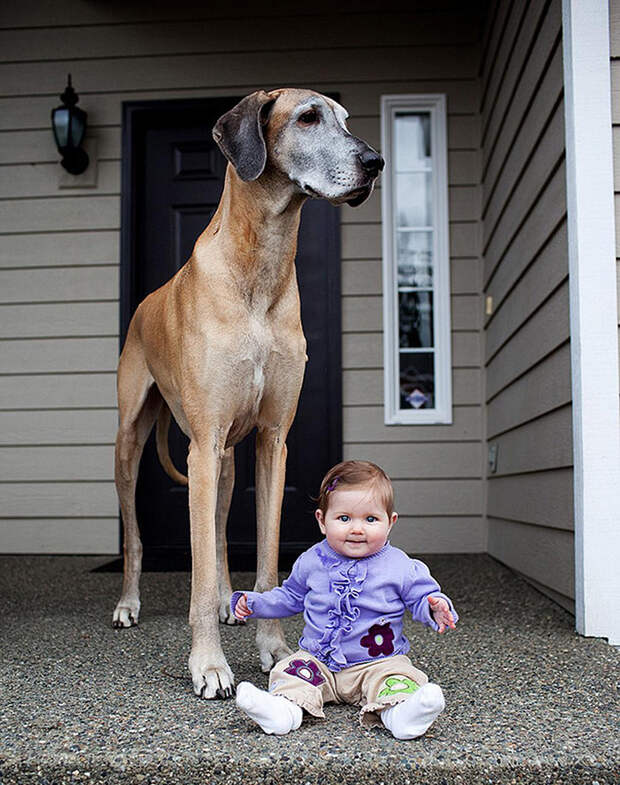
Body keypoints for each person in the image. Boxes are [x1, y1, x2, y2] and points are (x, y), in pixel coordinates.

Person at [231, 460, 458, 739]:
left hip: (377, 662)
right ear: (322, 521)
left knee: (397, 679)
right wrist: (253, 603)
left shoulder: (400, 565)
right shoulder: (312, 561)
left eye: (371, 519)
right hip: (319, 662)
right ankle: (282, 712)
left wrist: (434, 607)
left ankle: (402, 715)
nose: (357, 529)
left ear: (391, 522)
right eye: (344, 518)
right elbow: (289, 597)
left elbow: (421, 596)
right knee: (291, 671)